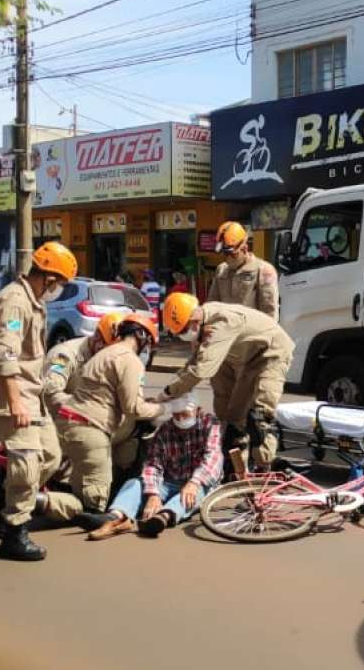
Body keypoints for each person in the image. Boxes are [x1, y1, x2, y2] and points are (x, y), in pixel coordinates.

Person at [0, 241, 78, 562]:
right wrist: (15, 403)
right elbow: (5, 354)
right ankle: (14, 531)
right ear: (48, 278)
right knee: (27, 464)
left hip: (33, 396)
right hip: (13, 399)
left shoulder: (33, 301)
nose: (59, 290)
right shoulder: (15, 303)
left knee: (50, 455)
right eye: (60, 283)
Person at [43, 314, 166, 529]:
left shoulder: (102, 354)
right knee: (93, 507)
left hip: (68, 421)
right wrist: (164, 408)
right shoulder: (128, 359)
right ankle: (38, 502)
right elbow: (133, 408)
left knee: (124, 443)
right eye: (148, 344)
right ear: (142, 336)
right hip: (82, 426)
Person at [159, 294, 294, 471]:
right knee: (234, 419)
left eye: (184, 330)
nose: (184, 335)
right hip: (251, 359)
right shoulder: (204, 323)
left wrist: (170, 392)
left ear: (195, 317)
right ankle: (235, 470)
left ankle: (264, 466)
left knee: (260, 414)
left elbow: (203, 369)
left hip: (273, 353)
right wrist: (171, 387)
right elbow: (195, 362)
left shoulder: (221, 324)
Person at [87, 394, 223, 540]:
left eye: (185, 415)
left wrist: (194, 482)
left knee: (189, 496)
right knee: (135, 484)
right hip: (169, 481)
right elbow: (153, 463)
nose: (181, 419)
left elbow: (213, 457)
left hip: (199, 482)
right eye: (177, 415)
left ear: (198, 410)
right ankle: (116, 516)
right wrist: (153, 494)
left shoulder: (210, 423)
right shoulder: (165, 429)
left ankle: (162, 517)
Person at [206, 221, 279, 321]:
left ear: (244, 249)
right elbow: (212, 305)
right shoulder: (221, 270)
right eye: (224, 254)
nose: (227, 258)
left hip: (251, 333)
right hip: (226, 332)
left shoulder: (264, 271)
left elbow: (270, 312)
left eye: (231, 254)